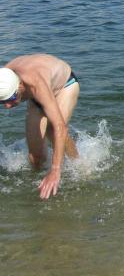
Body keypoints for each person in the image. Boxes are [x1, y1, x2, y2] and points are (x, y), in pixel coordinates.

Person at [0, 54, 80, 199]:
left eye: (11, 99)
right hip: (36, 96)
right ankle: (41, 187)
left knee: (53, 130)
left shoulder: (36, 84)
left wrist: (55, 170)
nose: (8, 106)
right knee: (35, 158)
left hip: (64, 87)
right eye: (2, 102)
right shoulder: (4, 78)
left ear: (20, 85)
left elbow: (60, 127)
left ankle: (78, 166)